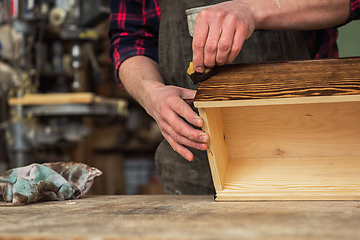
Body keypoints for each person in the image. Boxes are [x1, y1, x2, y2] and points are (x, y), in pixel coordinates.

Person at [108, 0, 360, 194]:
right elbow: (130, 39)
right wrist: (151, 92)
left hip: (313, 156)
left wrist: (255, 9)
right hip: (194, 167)